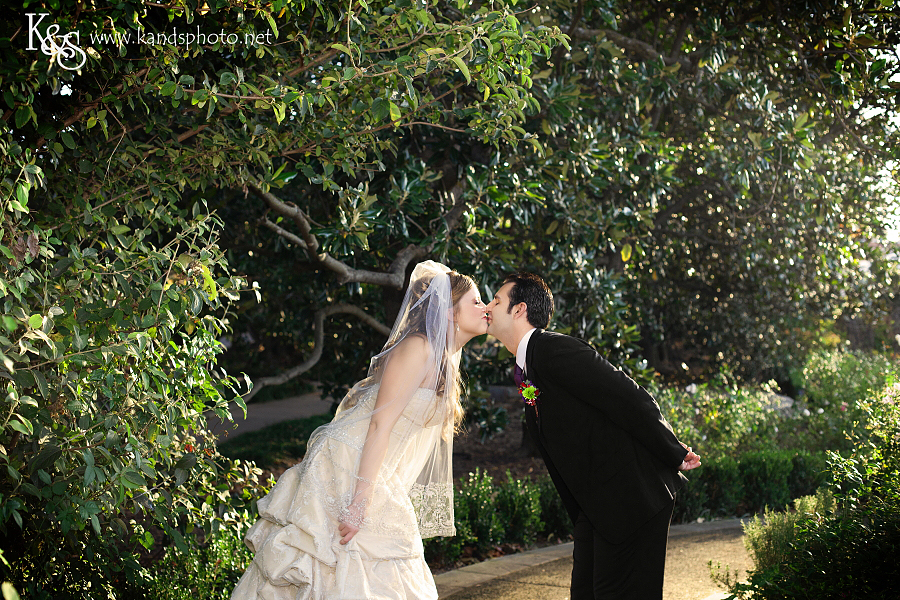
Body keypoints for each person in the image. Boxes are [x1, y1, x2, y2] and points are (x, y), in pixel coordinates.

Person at [230, 261, 488, 600]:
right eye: (476, 301)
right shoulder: (418, 347)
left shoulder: (444, 360)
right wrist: (359, 502)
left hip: (378, 469)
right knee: (331, 561)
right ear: (451, 313)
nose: (485, 309)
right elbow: (380, 423)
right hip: (348, 463)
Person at [484, 272, 701, 600]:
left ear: (519, 309)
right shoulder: (530, 366)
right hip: (597, 508)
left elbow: (626, 395)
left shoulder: (555, 349)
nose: (489, 306)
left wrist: (673, 450)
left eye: (496, 300)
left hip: (633, 500)